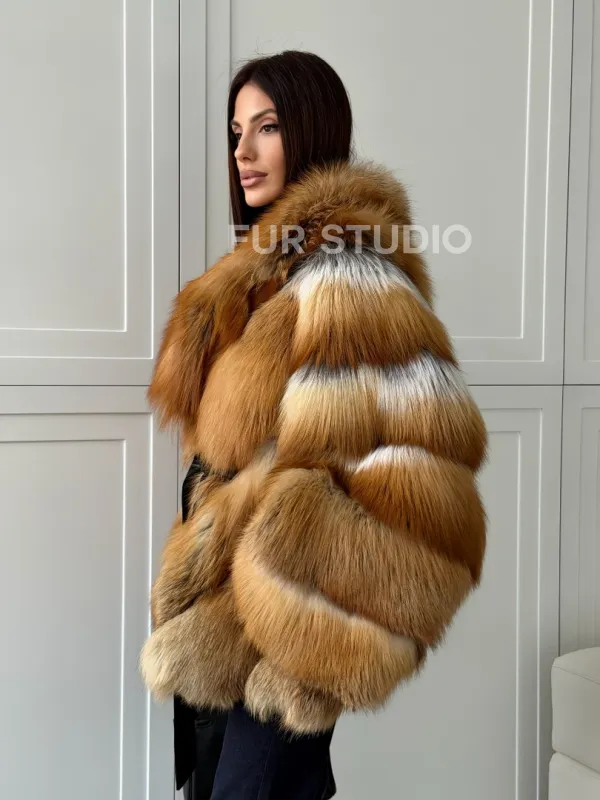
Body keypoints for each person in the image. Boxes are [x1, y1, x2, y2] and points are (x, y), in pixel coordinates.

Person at [140, 50, 489, 800]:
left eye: (267, 127)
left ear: (313, 129)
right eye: (236, 130)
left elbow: (416, 473)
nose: (243, 151)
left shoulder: (347, 272)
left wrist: (295, 622)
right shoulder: (274, 275)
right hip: (231, 620)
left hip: (280, 633)